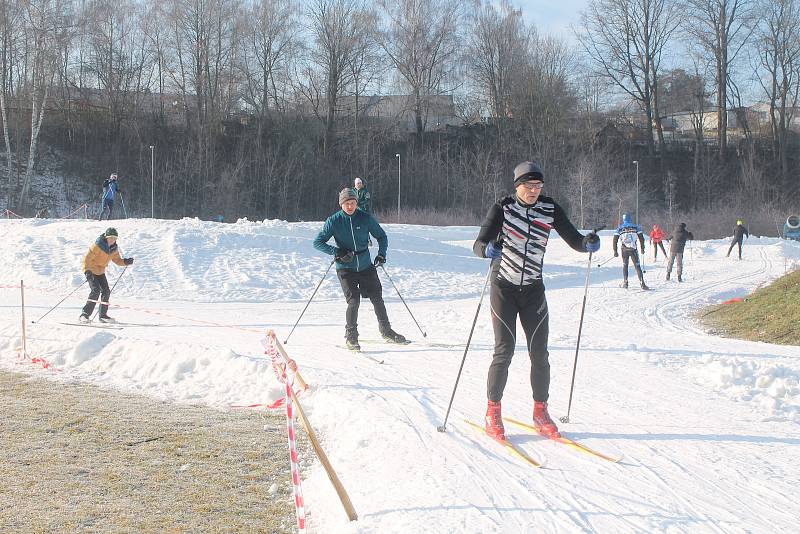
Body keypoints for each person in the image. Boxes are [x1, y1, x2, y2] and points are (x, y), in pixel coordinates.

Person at [473, 161, 600, 441]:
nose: (533, 191)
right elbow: (478, 244)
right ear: (517, 185)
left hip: (533, 290)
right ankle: (492, 410)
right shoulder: (503, 208)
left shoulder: (549, 208)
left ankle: (540, 411)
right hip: (503, 287)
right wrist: (488, 249)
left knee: (539, 353)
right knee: (504, 350)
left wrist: (587, 243)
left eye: (538, 186)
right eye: (528, 186)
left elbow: (574, 239)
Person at [313, 188, 406, 351]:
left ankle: (386, 331)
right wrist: (336, 252)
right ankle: (351, 336)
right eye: (347, 203)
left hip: (365, 266)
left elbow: (382, 236)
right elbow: (317, 242)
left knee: (377, 298)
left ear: (356, 203)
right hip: (345, 268)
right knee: (354, 301)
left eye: (353, 203)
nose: (350, 206)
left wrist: (381, 254)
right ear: (341, 204)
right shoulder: (333, 221)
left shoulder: (364, 218)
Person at [79, 227, 134, 323]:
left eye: (114, 238)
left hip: (100, 271)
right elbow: (86, 259)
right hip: (91, 270)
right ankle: (84, 315)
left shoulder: (113, 249)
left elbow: (117, 260)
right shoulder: (97, 246)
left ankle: (103, 316)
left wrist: (125, 261)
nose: (112, 240)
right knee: (95, 290)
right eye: (110, 238)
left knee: (106, 291)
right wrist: (87, 271)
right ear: (106, 237)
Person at [612, 213, 649, 290]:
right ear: (630, 219)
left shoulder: (619, 228)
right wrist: (642, 248)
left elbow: (615, 240)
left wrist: (615, 251)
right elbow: (641, 239)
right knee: (637, 266)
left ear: (623, 219)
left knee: (625, 265)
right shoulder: (636, 227)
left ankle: (625, 283)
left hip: (624, 250)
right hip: (633, 250)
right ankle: (642, 284)